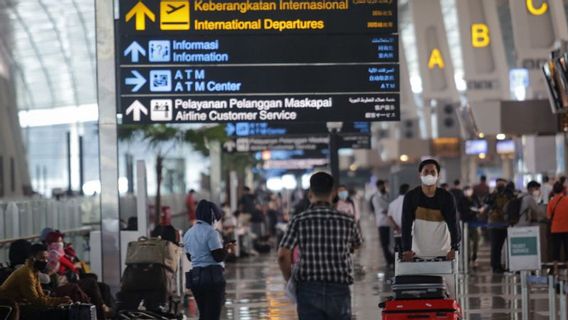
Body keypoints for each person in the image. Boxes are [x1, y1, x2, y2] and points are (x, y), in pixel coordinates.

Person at [278, 172, 363, 320]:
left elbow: (282, 256)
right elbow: (357, 244)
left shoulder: (298, 220)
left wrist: (289, 280)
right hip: (339, 288)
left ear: (310, 193)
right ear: (333, 192)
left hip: (308, 288)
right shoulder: (347, 220)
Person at [184, 200, 235, 320]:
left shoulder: (188, 233)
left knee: (203, 314)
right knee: (213, 314)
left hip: (196, 278)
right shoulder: (211, 233)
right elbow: (218, 256)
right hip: (212, 278)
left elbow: (189, 257)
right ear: (211, 216)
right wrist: (227, 249)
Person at [401, 159, 461, 261]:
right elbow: (406, 224)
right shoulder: (411, 197)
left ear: (438, 175)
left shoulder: (446, 197)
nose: (429, 175)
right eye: (426, 172)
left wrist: (455, 248)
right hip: (417, 253)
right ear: (420, 174)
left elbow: (454, 224)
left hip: (443, 253)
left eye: (433, 172)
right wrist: (406, 249)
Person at [0, 243, 72, 319]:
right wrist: (59, 301)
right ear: (32, 257)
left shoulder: (34, 272)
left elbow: (41, 296)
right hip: (7, 304)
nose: (45, 261)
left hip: (18, 302)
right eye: (42, 258)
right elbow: (37, 301)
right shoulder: (26, 274)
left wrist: (59, 300)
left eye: (46, 258)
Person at [484, 178, 515, 273]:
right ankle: (495, 266)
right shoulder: (493, 195)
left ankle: (498, 265)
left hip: (502, 224)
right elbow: (486, 201)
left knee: (498, 247)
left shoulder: (507, 194)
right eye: (499, 184)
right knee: (496, 247)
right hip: (495, 224)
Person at [372, 179, 395, 267]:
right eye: (381, 186)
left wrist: (389, 209)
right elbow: (382, 210)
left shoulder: (389, 195)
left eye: (383, 185)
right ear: (378, 187)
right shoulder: (375, 198)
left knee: (392, 243)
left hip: (392, 223)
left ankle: (393, 259)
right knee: (385, 244)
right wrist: (390, 209)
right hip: (382, 223)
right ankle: (389, 261)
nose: (383, 187)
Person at [547, 182, 568, 262]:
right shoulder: (567, 200)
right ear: (563, 190)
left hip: (555, 230)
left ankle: (556, 271)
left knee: (556, 252)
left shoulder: (551, 202)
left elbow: (548, 216)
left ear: (553, 191)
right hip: (567, 229)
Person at [387, 184, 410, 254]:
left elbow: (389, 218)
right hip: (410, 234)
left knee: (399, 253)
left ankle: (396, 264)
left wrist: (396, 227)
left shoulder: (392, 204)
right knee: (409, 254)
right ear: (408, 191)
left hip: (398, 233)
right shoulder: (410, 203)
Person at [461, 186, 481, 265]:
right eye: (466, 191)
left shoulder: (475, 198)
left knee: (476, 240)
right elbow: (461, 210)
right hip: (465, 223)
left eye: (469, 191)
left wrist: (477, 211)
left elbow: (479, 207)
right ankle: (467, 257)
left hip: (474, 222)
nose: (467, 192)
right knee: (466, 242)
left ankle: (474, 256)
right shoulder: (461, 199)